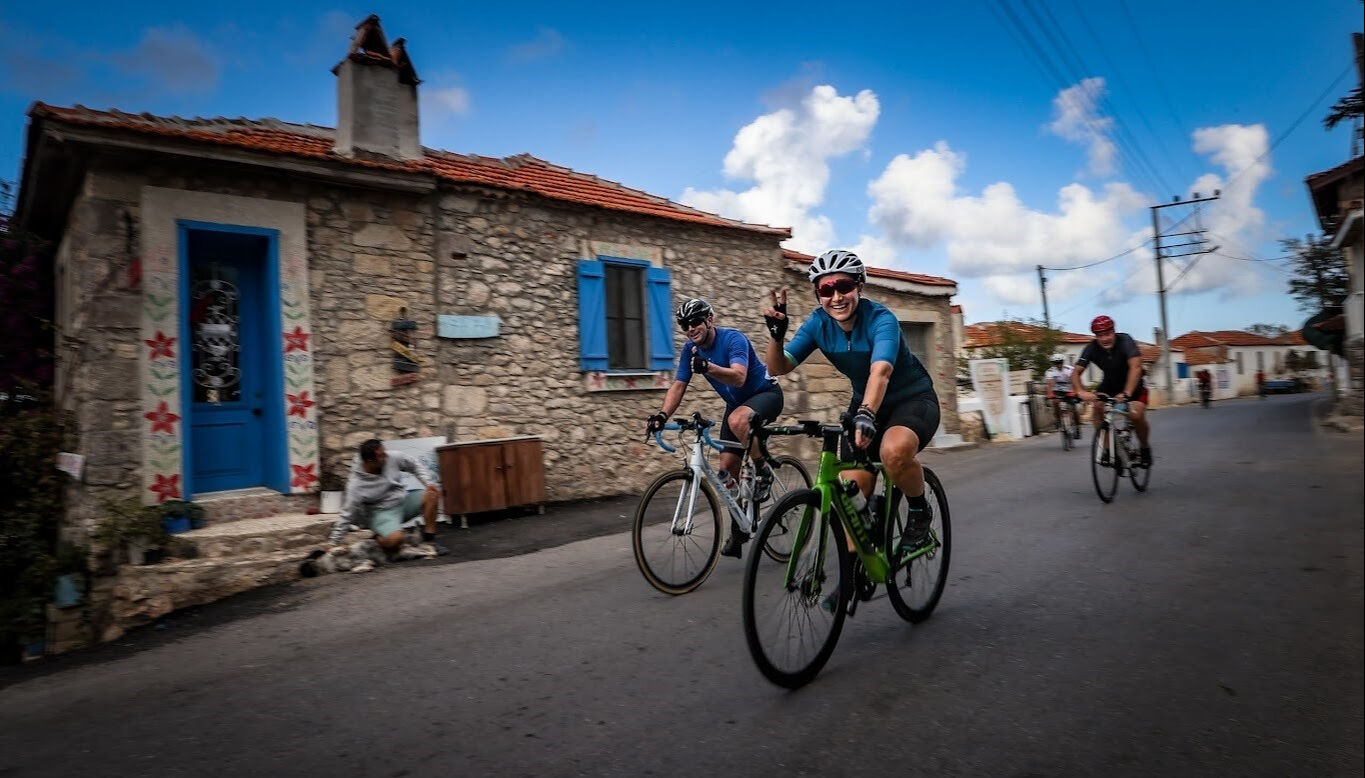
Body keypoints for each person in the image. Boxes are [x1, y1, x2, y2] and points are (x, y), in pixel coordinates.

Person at [762, 249, 939, 550]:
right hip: (866, 405)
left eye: (844, 286)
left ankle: (920, 510)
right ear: (818, 294)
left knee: (893, 453)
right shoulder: (818, 324)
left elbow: (880, 371)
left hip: (912, 399)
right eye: (826, 290)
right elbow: (779, 367)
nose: (836, 297)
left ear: (859, 286)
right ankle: (852, 584)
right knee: (851, 495)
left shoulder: (881, 319)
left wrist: (867, 413)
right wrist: (776, 339)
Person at [645, 298, 784, 559]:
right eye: (684, 324)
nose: (690, 328)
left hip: (766, 394)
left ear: (710, 320)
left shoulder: (734, 339)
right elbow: (678, 385)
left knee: (737, 421)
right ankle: (740, 529)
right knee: (725, 474)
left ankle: (762, 469)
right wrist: (662, 415)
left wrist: (709, 367)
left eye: (695, 321)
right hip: (736, 404)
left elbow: (739, 376)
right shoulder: (690, 350)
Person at [326, 439, 449, 555]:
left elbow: (414, 465)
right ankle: (378, 538)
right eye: (381, 455)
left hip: (402, 502)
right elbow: (347, 514)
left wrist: (428, 483)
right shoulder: (356, 485)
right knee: (396, 540)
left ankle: (430, 540)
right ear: (370, 461)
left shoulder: (392, 457)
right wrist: (333, 542)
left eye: (384, 452)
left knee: (432, 494)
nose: (386, 456)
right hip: (382, 514)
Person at [1071, 315, 1152, 467]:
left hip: (1134, 383)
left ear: (1114, 331)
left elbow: (1135, 367)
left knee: (1136, 415)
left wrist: (1127, 393)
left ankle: (1144, 448)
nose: (1104, 339)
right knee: (1098, 408)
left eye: (1107, 334)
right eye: (1100, 336)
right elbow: (1075, 373)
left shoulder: (1125, 341)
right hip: (1110, 384)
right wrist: (1080, 391)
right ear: (1096, 337)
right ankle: (1108, 450)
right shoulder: (1091, 348)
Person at [1044, 354, 1081, 439]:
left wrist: (1076, 392)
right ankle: (1058, 420)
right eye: (1056, 363)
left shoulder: (1070, 369)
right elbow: (1050, 383)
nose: (1059, 364)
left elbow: (1074, 381)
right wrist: (1050, 394)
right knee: (1055, 402)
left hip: (1069, 389)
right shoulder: (1050, 371)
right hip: (1058, 390)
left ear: (1063, 362)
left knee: (1074, 409)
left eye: (1060, 362)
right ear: (1053, 363)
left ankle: (1077, 428)